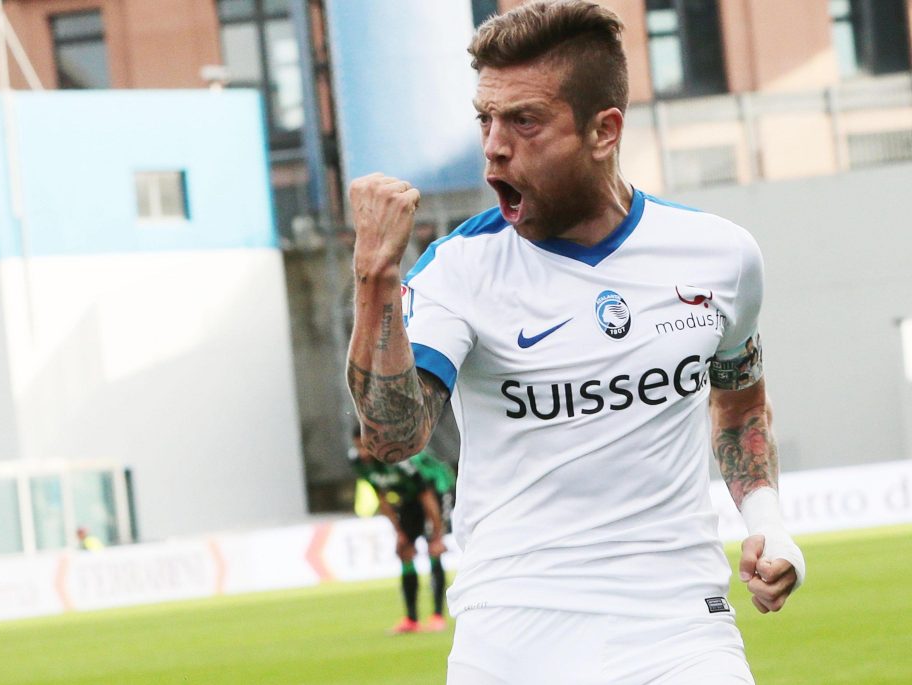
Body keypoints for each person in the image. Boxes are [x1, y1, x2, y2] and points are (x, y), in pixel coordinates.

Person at [345, 1, 805, 683]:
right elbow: (392, 436)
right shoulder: (458, 270)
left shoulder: (720, 256)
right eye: (485, 119)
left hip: (680, 627)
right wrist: (374, 277)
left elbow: (739, 405)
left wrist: (769, 521)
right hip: (512, 634)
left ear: (603, 130)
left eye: (523, 120)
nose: (494, 145)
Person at [348, 426, 455, 634]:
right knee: (404, 549)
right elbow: (381, 496)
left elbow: (427, 496)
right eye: (357, 446)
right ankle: (411, 619)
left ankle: (437, 616)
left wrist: (437, 535)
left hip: (436, 490)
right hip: (408, 498)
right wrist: (399, 531)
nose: (361, 452)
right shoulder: (359, 463)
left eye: (364, 446)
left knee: (433, 550)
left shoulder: (399, 460)